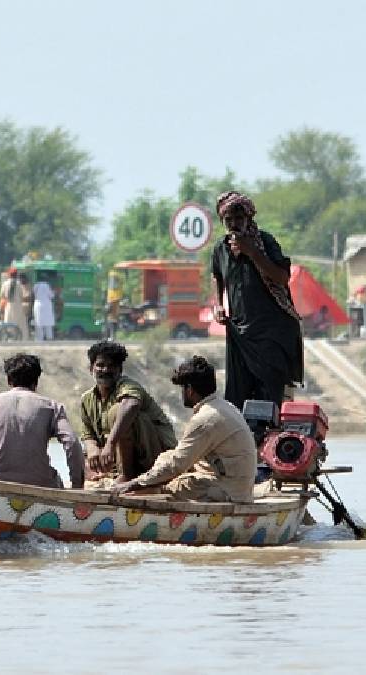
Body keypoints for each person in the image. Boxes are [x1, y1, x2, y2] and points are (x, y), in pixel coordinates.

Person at [112, 356, 257, 503]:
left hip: (228, 491)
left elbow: (177, 465)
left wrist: (134, 484)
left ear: (189, 390)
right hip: (236, 486)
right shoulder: (225, 406)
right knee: (166, 459)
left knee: (166, 487)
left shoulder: (206, 419)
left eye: (183, 388)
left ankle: (128, 493)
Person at [210, 190, 303, 409]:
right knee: (237, 396)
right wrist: (218, 304)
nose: (233, 224)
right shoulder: (221, 248)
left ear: (249, 218)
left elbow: (282, 277)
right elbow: (217, 276)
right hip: (240, 331)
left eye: (239, 218)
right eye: (228, 219)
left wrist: (252, 253)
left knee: (269, 395)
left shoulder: (265, 242)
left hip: (271, 332)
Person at [0, 354, 84, 489]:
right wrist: (77, 485)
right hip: (40, 484)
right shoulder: (51, 407)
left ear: (9, 380)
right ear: (36, 381)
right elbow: (72, 442)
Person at [79, 341, 177, 487]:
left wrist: (110, 444)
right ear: (91, 368)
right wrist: (92, 449)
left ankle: (127, 475)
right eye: (100, 365)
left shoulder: (129, 387)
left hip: (155, 457)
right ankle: (111, 473)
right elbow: (87, 434)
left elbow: (131, 405)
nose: (105, 370)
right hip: (116, 461)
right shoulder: (87, 399)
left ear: (120, 370)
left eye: (111, 366)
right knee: (83, 457)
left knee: (118, 411)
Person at [0, 268, 30, 341]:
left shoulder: (5, 284)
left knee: (9, 323)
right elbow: (22, 296)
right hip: (18, 306)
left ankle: (10, 339)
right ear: (16, 275)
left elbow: (2, 296)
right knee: (21, 324)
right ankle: (23, 340)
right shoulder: (19, 284)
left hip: (9, 306)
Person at [32, 274, 56, 341]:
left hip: (37, 305)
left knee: (38, 323)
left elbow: (34, 294)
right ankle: (49, 338)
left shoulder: (35, 286)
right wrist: (54, 292)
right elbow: (51, 296)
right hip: (46, 305)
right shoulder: (46, 285)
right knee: (48, 324)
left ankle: (39, 339)